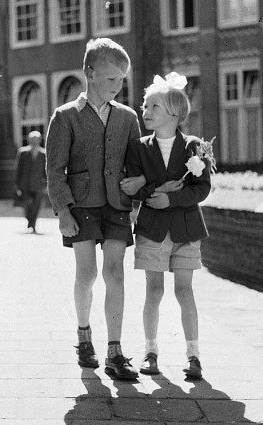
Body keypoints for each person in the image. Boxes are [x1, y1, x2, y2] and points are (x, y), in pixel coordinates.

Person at [46, 38, 142, 380]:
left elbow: (136, 165)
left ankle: (114, 350)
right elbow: (55, 170)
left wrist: (137, 192)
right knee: (86, 275)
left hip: (116, 205)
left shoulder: (128, 118)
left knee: (114, 273)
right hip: (81, 207)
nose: (118, 86)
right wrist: (63, 212)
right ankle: (84, 336)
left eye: (122, 80)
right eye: (112, 79)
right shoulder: (66, 117)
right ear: (90, 73)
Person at [122, 72, 212, 379]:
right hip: (152, 229)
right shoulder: (139, 148)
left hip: (186, 229)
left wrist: (171, 199)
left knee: (185, 290)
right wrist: (153, 189)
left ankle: (194, 355)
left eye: (153, 107)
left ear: (174, 114)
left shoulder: (193, 147)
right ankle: (150, 352)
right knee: (154, 289)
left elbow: (202, 188)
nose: (145, 112)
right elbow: (132, 184)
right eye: (145, 106)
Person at [14, 130, 47, 233]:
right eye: (33, 139)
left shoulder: (43, 153)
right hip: (25, 184)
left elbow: (46, 170)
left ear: (40, 140)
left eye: (36, 139)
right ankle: (30, 221)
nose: (35, 141)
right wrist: (16, 185)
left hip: (38, 184)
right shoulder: (22, 152)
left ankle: (33, 224)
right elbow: (18, 169)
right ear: (29, 140)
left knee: (36, 205)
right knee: (27, 204)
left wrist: (46, 184)